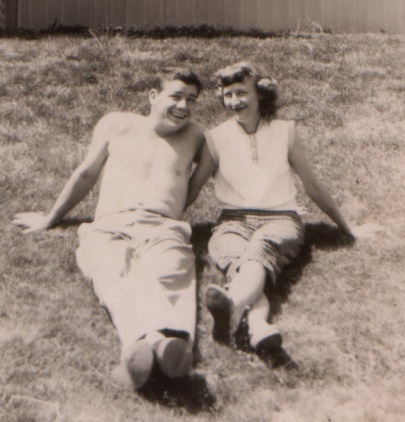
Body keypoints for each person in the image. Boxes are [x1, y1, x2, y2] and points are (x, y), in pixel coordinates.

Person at [13, 67, 206, 390]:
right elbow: (86, 173)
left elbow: (225, 160)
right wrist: (50, 218)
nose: (183, 106)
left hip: (162, 226)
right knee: (113, 272)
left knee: (173, 271)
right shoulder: (117, 124)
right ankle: (159, 343)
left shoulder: (196, 135)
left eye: (191, 99)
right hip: (109, 226)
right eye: (175, 96)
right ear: (153, 96)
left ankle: (151, 345)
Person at [186, 61, 381, 360]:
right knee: (243, 264)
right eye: (228, 95)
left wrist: (349, 228)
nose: (235, 101)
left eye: (242, 93)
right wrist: (159, 220)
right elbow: (193, 187)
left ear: (260, 94)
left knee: (258, 252)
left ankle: (233, 303)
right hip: (232, 222)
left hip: (281, 220)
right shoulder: (216, 137)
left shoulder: (284, 132)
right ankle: (258, 326)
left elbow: (312, 185)